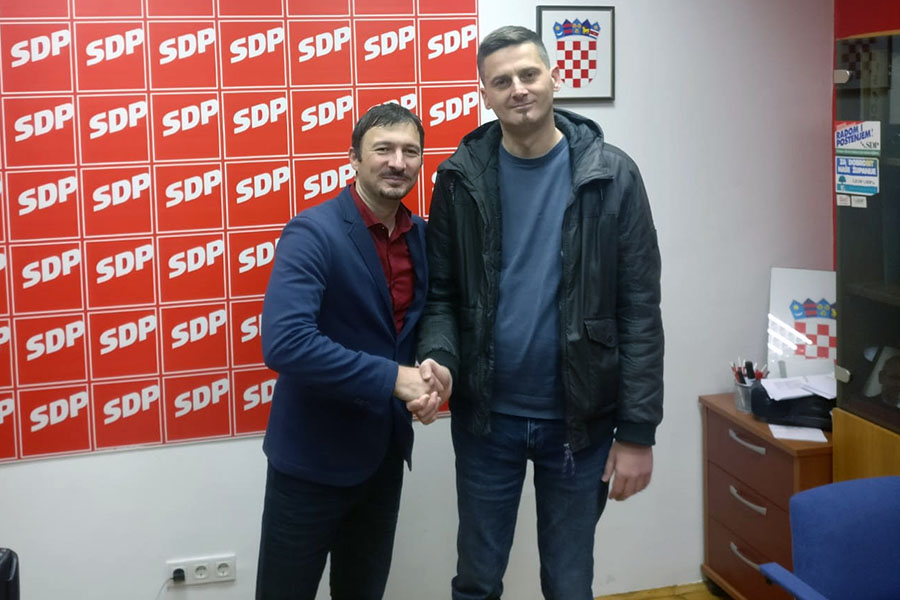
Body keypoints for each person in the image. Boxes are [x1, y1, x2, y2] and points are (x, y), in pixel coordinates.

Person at [417, 25, 664, 599]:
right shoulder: (458, 178)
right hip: (486, 419)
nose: (519, 89)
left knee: (569, 583)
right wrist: (440, 359)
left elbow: (639, 310)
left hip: (581, 422)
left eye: (529, 74)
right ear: (484, 94)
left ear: (554, 77)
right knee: (477, 581)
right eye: (502, 81)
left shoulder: (613, 175)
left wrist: (637, 432)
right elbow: (442, 295)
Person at [256, 103, 445, 600]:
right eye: (383, 149)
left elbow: (423, 326)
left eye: (410, 151)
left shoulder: (423, 237)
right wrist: (394, 379)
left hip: (383, 458)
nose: (398, 162)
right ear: (354, 158)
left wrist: (431, 376)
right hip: (310, 460)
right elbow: (285, 343)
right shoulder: (313, 232)